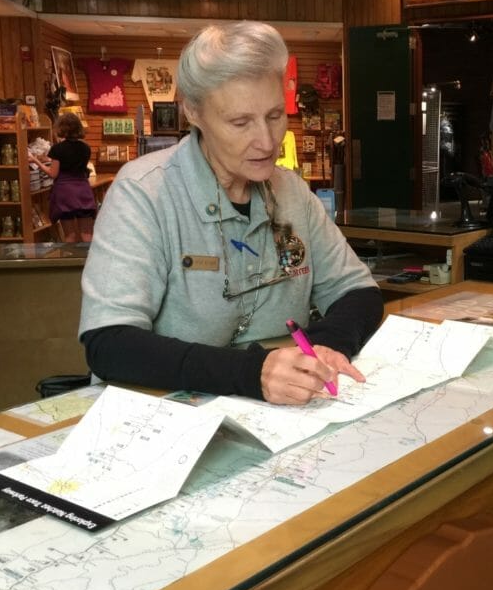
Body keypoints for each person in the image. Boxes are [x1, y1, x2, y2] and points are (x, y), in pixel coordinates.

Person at [79, 21, 383, 404]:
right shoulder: (143, 191)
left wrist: (322, 348)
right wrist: (252, 373)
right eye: (240, 122)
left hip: (274, 415)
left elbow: (359, 292)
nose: (268, 141)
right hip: (160, 418)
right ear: (193, 112)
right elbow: (110, 344)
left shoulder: (291, 191)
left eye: (275, 116)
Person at [28, 112, 97, 242]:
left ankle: (70, 261)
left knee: (69, 236)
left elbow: (53, 173)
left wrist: (35, 161)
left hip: (65, 192)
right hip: (83, 189)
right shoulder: (86, 148)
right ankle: (88, 261)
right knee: (87, 234)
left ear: (61, 128)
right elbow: (74, 162)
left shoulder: (58, 149)